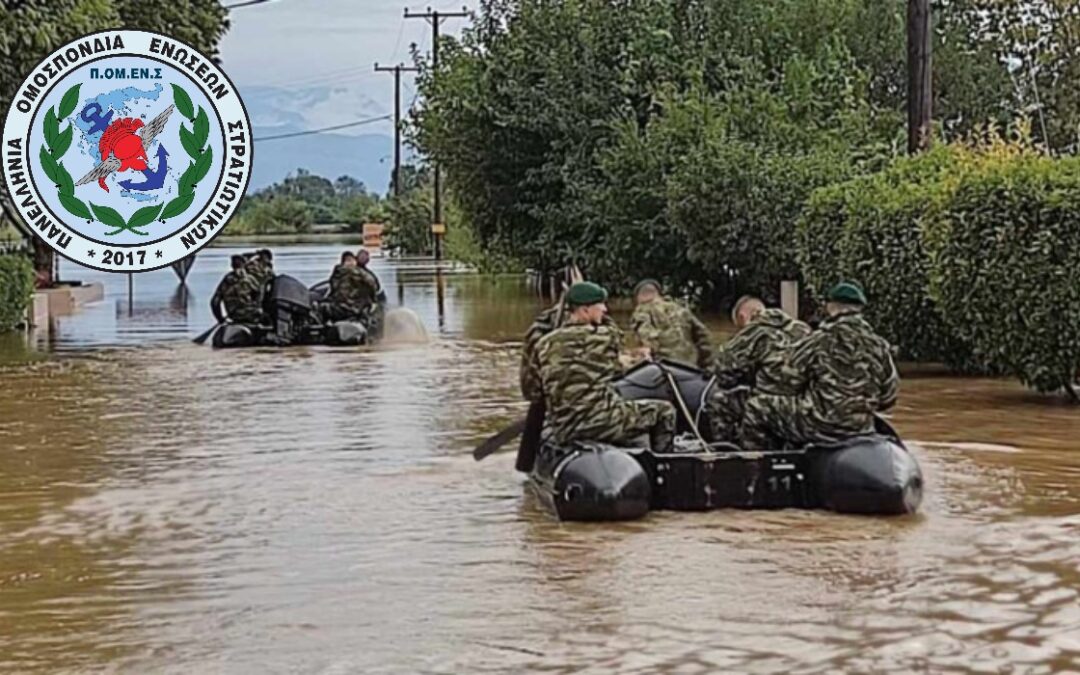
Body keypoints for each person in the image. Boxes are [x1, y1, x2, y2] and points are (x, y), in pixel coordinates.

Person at [741, 282, 899, 450]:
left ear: (830, 306)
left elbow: (787, 381)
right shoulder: (879, 345)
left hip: (820, 426)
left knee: (756, 407)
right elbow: (888, 397)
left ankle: (760, 469)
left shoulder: (819, 340)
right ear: (860, 308)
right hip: (862, 428)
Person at [535, 282, 675, 450]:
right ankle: (663, 463)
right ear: (585, 310)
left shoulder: (543, 344)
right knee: (665, 411)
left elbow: (532, 390)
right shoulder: (606, 337)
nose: (605, 309)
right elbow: (616, 336)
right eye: (600, 305)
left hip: (564, 429)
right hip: (601, 422)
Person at [705, 296, 811, 441]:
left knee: (719, 401)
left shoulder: (752, 332)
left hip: (769, 403)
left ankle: (729, 453)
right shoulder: (803, 328)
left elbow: (724, 375)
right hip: (803, 403)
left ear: (742, 317)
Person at [629, 279, 713, 369]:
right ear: (659, 294)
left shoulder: (641, 311)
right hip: (690, 365)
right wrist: (706, 365)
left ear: (638, 297)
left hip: (665, 367)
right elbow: (704, 336)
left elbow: (648, 339)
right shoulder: (680, 309)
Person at [323, 250, 379, 322]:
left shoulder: (338, 272)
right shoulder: (358, 273)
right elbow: (373, 285)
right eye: (348, 260)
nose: (350, 263)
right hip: (352, 308)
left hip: (343, 307)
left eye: (351, 260)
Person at [210, 255, 263, 324]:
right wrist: (257, 305)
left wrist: (220, 319)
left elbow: (215, 302)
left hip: (234, 315)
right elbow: (259, 293)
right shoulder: (249, 279)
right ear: (244, 264)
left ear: (232, 265)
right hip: (252, 315)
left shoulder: (226, 280)